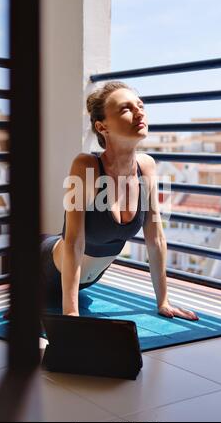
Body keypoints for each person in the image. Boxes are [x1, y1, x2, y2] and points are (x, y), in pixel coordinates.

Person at [40, 81, 199, 320]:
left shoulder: (147, 167)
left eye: (140, 105)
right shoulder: (86, 166)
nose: (139, 112)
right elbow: (73, 242)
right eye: (126, 109)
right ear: (102, 127)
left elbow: (155, 239)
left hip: (85, 284)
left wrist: (163, 301)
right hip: (42, 272)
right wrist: (71, 313)